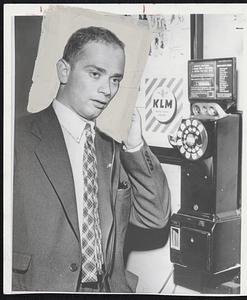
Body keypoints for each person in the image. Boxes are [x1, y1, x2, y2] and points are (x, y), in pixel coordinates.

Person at [12, 26, 171, 293]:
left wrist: (134, 144)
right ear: (64, 71)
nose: (107, 90)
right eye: (95, 73)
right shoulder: (18, 139)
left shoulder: (111, 147)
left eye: (115, 79)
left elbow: (155, 217)